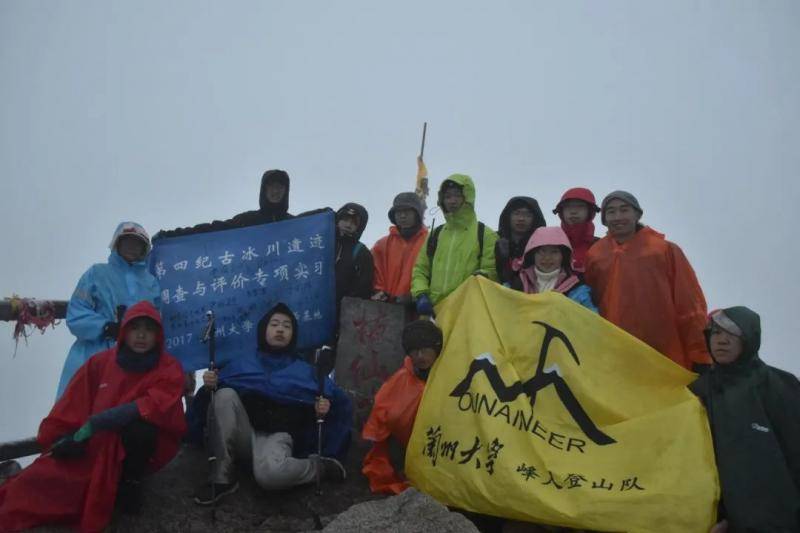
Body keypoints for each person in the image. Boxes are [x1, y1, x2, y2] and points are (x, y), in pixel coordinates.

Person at [0, 301, 187, 531]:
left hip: (130, 444)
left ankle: (130, 483)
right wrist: (63, 438)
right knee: (32, 483)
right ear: (124, 331)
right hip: (91, 444)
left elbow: (152, 406)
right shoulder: (101, 362)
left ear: (158, 335)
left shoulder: (168, 367)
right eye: (134, 327)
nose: (141, 335)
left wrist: (97, 423)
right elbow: (73, 403)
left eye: (149, 329)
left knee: (141, 430)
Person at [190, 303, 352, 505]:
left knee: (271, 476)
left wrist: (322, 409)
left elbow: (338, 402)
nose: (280, 329)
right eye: (274, 324)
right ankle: (223, 478)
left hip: (278, 438)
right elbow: (209, 403)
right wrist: (209, 387)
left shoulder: (306, 371)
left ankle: (320, 468)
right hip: (244, 434)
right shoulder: (243, 363)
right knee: (223, 395)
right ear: (263, 330)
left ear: (294, 334)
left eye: (287, 326)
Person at [690, 308, 800, 532]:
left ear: (749, 339)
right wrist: (717, 517)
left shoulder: (781, 386)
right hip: (722, 523)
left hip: (781, 521)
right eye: (716, 332)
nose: (722, 340)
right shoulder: (697, 391)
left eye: (732, 333)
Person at [584, 191, 709, 370]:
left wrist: (699, 352)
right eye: (611, 212)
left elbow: (689, 304)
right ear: (604, 219)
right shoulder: (595, 255)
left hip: (662, 351)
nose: (618, 217)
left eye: (624, 210)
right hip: (612, 352)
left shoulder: (663, 250)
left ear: (637, 214)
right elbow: (589, 303)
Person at [58, 221, 161, 399]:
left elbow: (157, 319)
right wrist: (105, 327)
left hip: (137, 356)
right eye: (127, 241)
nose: (132, 247)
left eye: (137, 243)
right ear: (117, 244)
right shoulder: (96, 273)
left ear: (144, 249)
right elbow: (76, 312)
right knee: (82, 405)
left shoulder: (151, 283)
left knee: (127, 409)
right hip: (93, 352)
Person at [362, 320, 443, 494]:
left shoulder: (449, 376)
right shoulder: (401, 378)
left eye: (425, 350)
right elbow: (381, 414)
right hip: (404, 444)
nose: (420, 356)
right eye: (414, 351)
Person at [411, 174, 498, 314]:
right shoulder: (435, 234)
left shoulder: (485, 234)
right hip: (434, 311)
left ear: (467, 197)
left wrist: (480, 277)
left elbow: (491, 272)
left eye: (457, 195)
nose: (452, 201)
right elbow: (420, 269)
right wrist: (421, 294)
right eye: (447, 197)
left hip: (469, 311)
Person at [155, 169, 293, 238]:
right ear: (264, 190)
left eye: (280, 186)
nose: (276, 191)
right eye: (272, 186)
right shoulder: (248, 220)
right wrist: (170, 236)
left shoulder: (295, 224)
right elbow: (213, 230)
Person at [512, 227, 597, 312]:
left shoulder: (577, 290)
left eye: (554, 252)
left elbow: (591, 320)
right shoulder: (516, 284)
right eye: (542, 251)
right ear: (532, 254)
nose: (547, 258)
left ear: (563, 256)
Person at [371, 192, 429, 305]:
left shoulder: (429, 241)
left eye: (407, 211)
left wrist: (415, 296)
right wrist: (378, 291)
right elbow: (373, 272)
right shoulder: (381, 245)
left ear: (417, 214)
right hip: (385, 311)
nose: (402, 216)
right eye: (398, 212)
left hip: (419, 310)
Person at [494, 196, 546, 286]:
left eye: (527, 215)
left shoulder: (543, 244)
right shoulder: (494, 240)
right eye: (516, 213)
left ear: (535, 219)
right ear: (508, 216)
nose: (521, 218)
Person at [552, 187, 600, 272]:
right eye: (568, 207)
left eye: (580, 206)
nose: (573, 211)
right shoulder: (550, 244)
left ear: (590, 211)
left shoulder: (601, 246)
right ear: (561, 212)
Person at [335, 203, 374, 305]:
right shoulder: (320, 243)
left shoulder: (362, 252)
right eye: (345, 219)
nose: (348, 225)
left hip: (344, 310)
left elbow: (364, 289)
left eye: (354, 222)